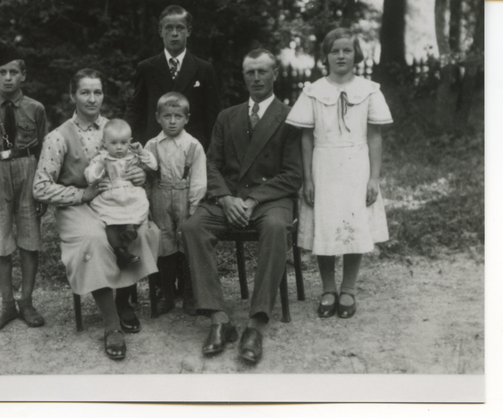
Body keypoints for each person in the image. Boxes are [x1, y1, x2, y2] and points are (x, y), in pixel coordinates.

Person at [181, 49, 303, 364]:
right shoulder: (228, 116)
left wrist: (252, 200)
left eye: (263, 71)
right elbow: (211, 164)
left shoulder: (291, 116)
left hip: (269, 200)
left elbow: (292, 175)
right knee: (193, 227)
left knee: (277, 228)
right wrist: (225, 198)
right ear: (244, 76)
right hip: (230, 199)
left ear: (275, 74)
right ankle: (219, 318)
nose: (257, 78)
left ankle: (256, 323)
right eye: (250, 72)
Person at [33, 69, 160, 360]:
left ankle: (124, 300)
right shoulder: (58, 137)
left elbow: (136, 162)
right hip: (78, 206)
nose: (92, 99)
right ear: (72, 96)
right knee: (95, 238)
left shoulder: (115, 130)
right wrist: (81, 194)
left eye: (97, 92)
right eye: (85, 92)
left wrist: (139, 174)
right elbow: (40, 187)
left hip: (116, 200)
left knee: (139, 231)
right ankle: (112, 323)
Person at [285, 28, 393, 319]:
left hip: (356, 165)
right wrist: (308, 179)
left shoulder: (369, 90)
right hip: (324, 166)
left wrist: (374, 178)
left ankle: (348, 289)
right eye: (335, 51)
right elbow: (306, 138)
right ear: (326, 56)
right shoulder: (313, 91)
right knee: (327, 225)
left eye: (347, 50)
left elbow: (374, 137)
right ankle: (328, 288)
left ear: (356, 54)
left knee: (353, 225)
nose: (341, 55)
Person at [0, 42, 48, 332]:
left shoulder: (35, 109)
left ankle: (26, 302)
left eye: (14, 71)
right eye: (2, 71)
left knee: (29, 239)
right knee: (1, 243)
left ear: (23, 75)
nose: (8, 77)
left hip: (28, 171)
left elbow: (45, 152)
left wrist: (44, 188)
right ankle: (6, 305)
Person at [124, 4, 221, 150]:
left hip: (192, 149)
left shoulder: (204, 69)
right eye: (168, 28)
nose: (174, 33)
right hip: (155, 149)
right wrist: (122, 136)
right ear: (160, 31)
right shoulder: (146, 68)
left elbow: (212, 116)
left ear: (188, 31)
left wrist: (212, 155)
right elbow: (137, 109)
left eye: (180, 28)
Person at [144, 92, 206, 315]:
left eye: (177, 116)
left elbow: (199, 179)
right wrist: (147, 204)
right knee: (164, 242)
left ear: (186, 118)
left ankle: (189, 293)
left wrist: (194, 206)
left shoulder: (193, 146)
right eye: (167, 116)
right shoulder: (151, 146)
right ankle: (167, 293)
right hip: (160, 195)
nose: (172, 121)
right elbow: (146, 178)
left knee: (186, 241)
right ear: (158, 117)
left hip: (184, 196)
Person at [84, 119, 157, 269]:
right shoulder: (101, 158)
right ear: (104, 143)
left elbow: (153, 165)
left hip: (130, 195)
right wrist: (100, 167)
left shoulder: (132, 156)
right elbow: (90, 177)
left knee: (137, 206)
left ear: (130, 142)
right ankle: (120, 251)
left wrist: (141, 151)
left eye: (123, 143)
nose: (119, 148)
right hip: (110, 197)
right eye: (114, 143)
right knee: (109, 220)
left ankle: (129, 228)